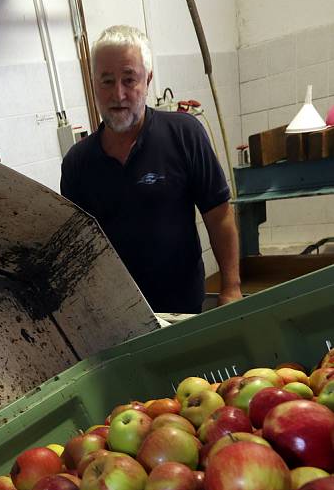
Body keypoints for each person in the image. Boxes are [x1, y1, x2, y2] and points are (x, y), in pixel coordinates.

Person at [60, 24, 242, 314]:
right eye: (106, 81)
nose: (118, 94)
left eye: (129, 80)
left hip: (183, 309)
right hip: (115, 317)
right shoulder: (76, 164)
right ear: (92, 84)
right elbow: (77, 247)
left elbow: (219, 216)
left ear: (148, 80)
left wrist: (231, 288)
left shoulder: (185, 134)